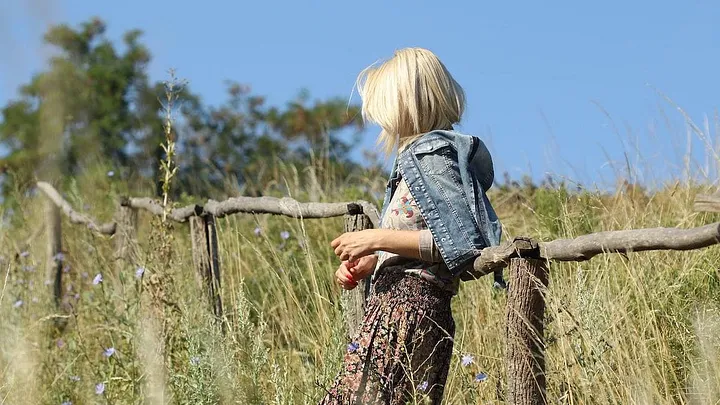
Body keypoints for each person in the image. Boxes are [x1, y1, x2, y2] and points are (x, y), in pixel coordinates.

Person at [319, 47, 502, 405]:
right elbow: (428, 237)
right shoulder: (416, 159)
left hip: (409, 309)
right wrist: (376, 259)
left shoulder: (431, 155)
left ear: (406, 102)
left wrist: (374, 237)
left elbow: (460, 244)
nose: (382, 121)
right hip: (402, 306)